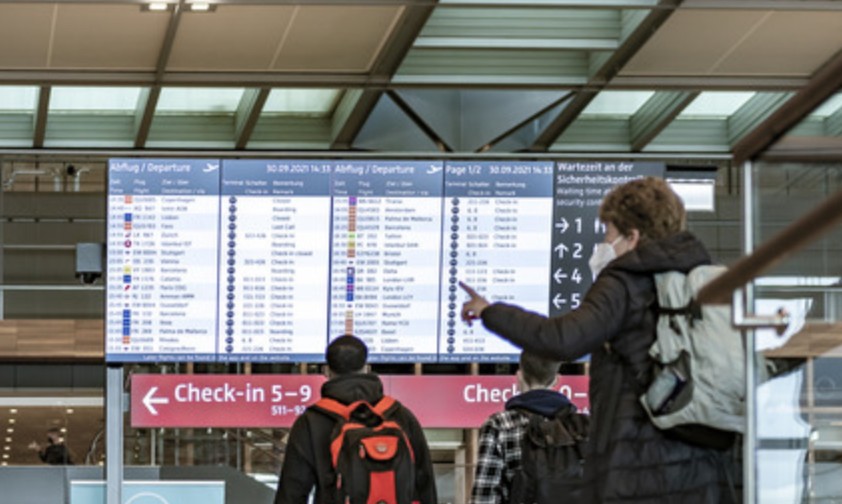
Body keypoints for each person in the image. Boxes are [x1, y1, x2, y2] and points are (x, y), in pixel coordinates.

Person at [460, 177, 738, 503]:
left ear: (632, 236)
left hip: (640, 469)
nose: (605, 242)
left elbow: (562, 338)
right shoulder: (703, 282)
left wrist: (490, 311)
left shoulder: (626, 282)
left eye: (607, 232)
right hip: (704, 468)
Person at [274, 334, 437, 504]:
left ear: (326, 371)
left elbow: (292, 492)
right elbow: (425, 484)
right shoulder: (400, 416)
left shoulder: (311, 422)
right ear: (367, 368)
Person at [470, 350, 583, 504]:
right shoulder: (583, 427)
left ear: (519, 376)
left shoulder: (500, 425)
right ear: (557, 380)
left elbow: (484, 498)